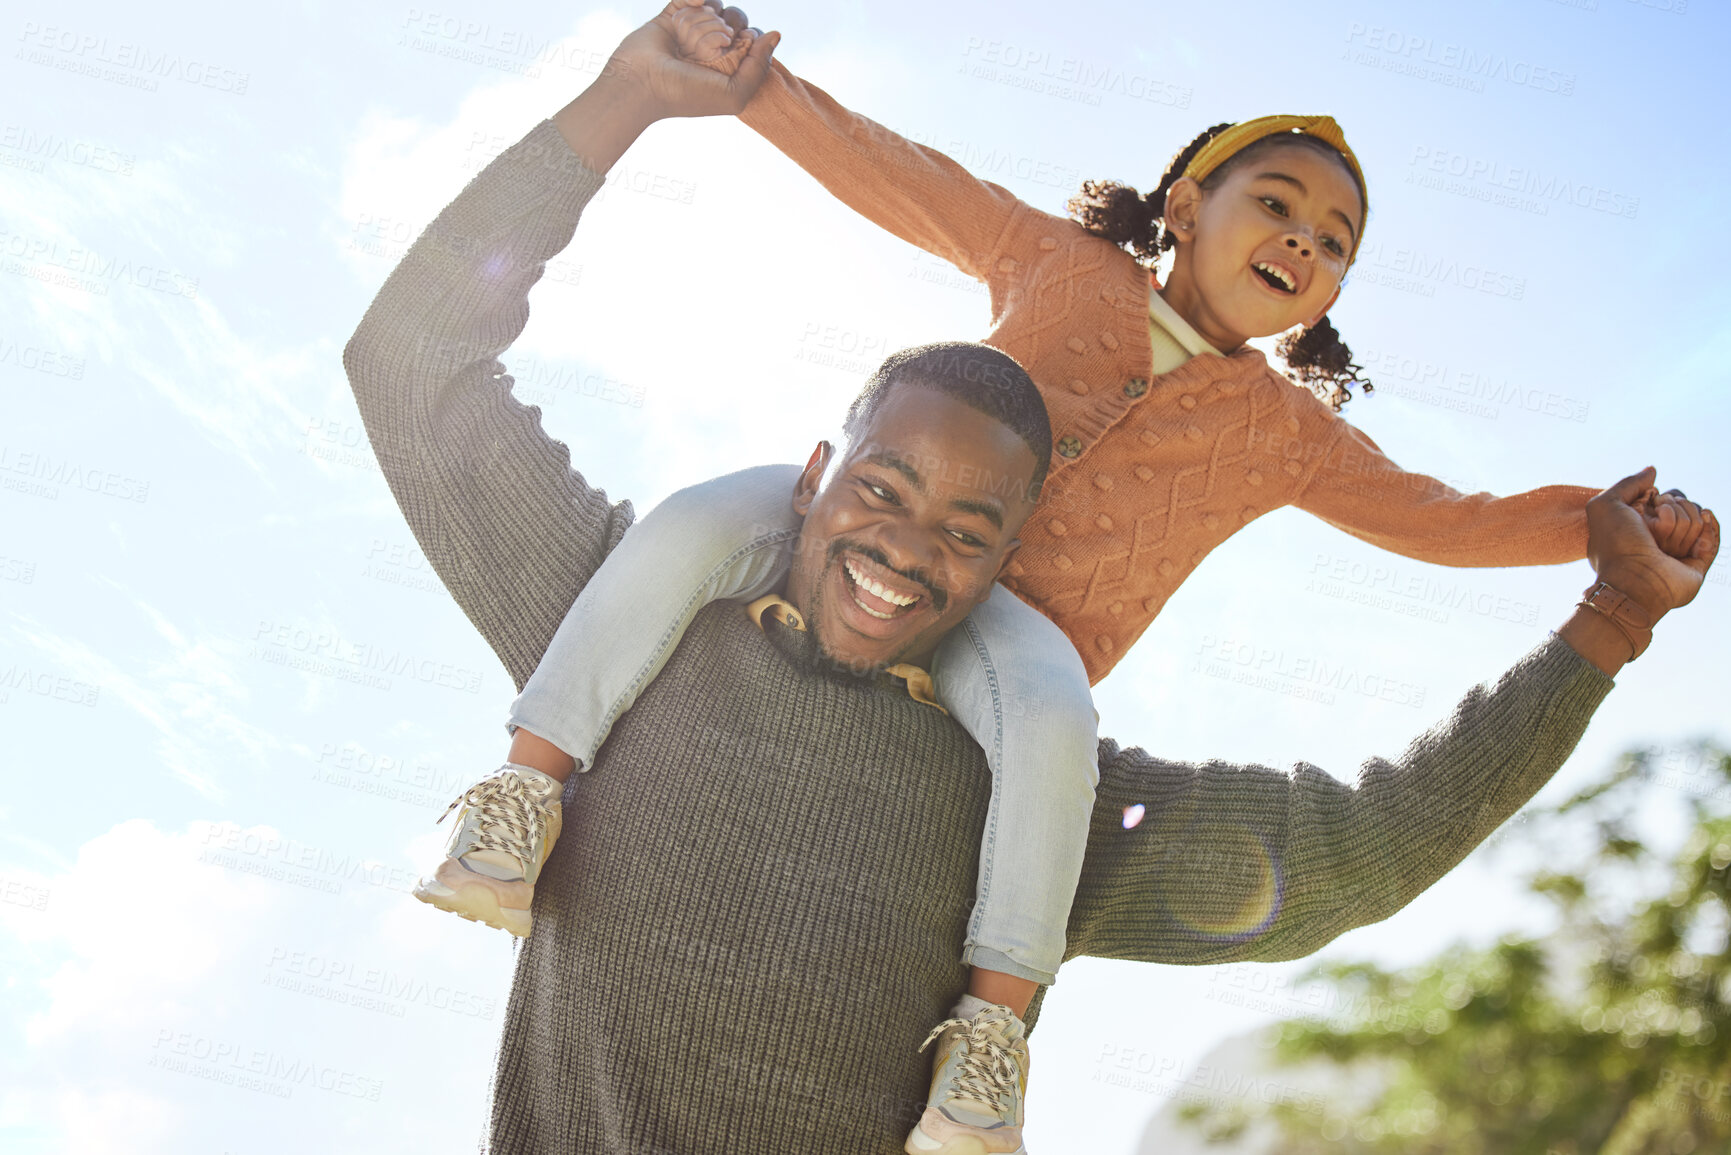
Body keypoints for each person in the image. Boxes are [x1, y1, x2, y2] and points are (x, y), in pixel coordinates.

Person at [344, 9, 1718, 1152]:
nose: (912, 546)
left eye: (1333, 238)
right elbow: (894, 177)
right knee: (706, 521)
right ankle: (519, 789)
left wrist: (1607, 574)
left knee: (1051, 711)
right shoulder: (633, 628)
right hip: (716, 591)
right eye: (883, 489)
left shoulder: (1033, 800)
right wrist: (664, 94)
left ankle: (993, 1035)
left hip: (1029, 688)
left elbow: (1422, 597)